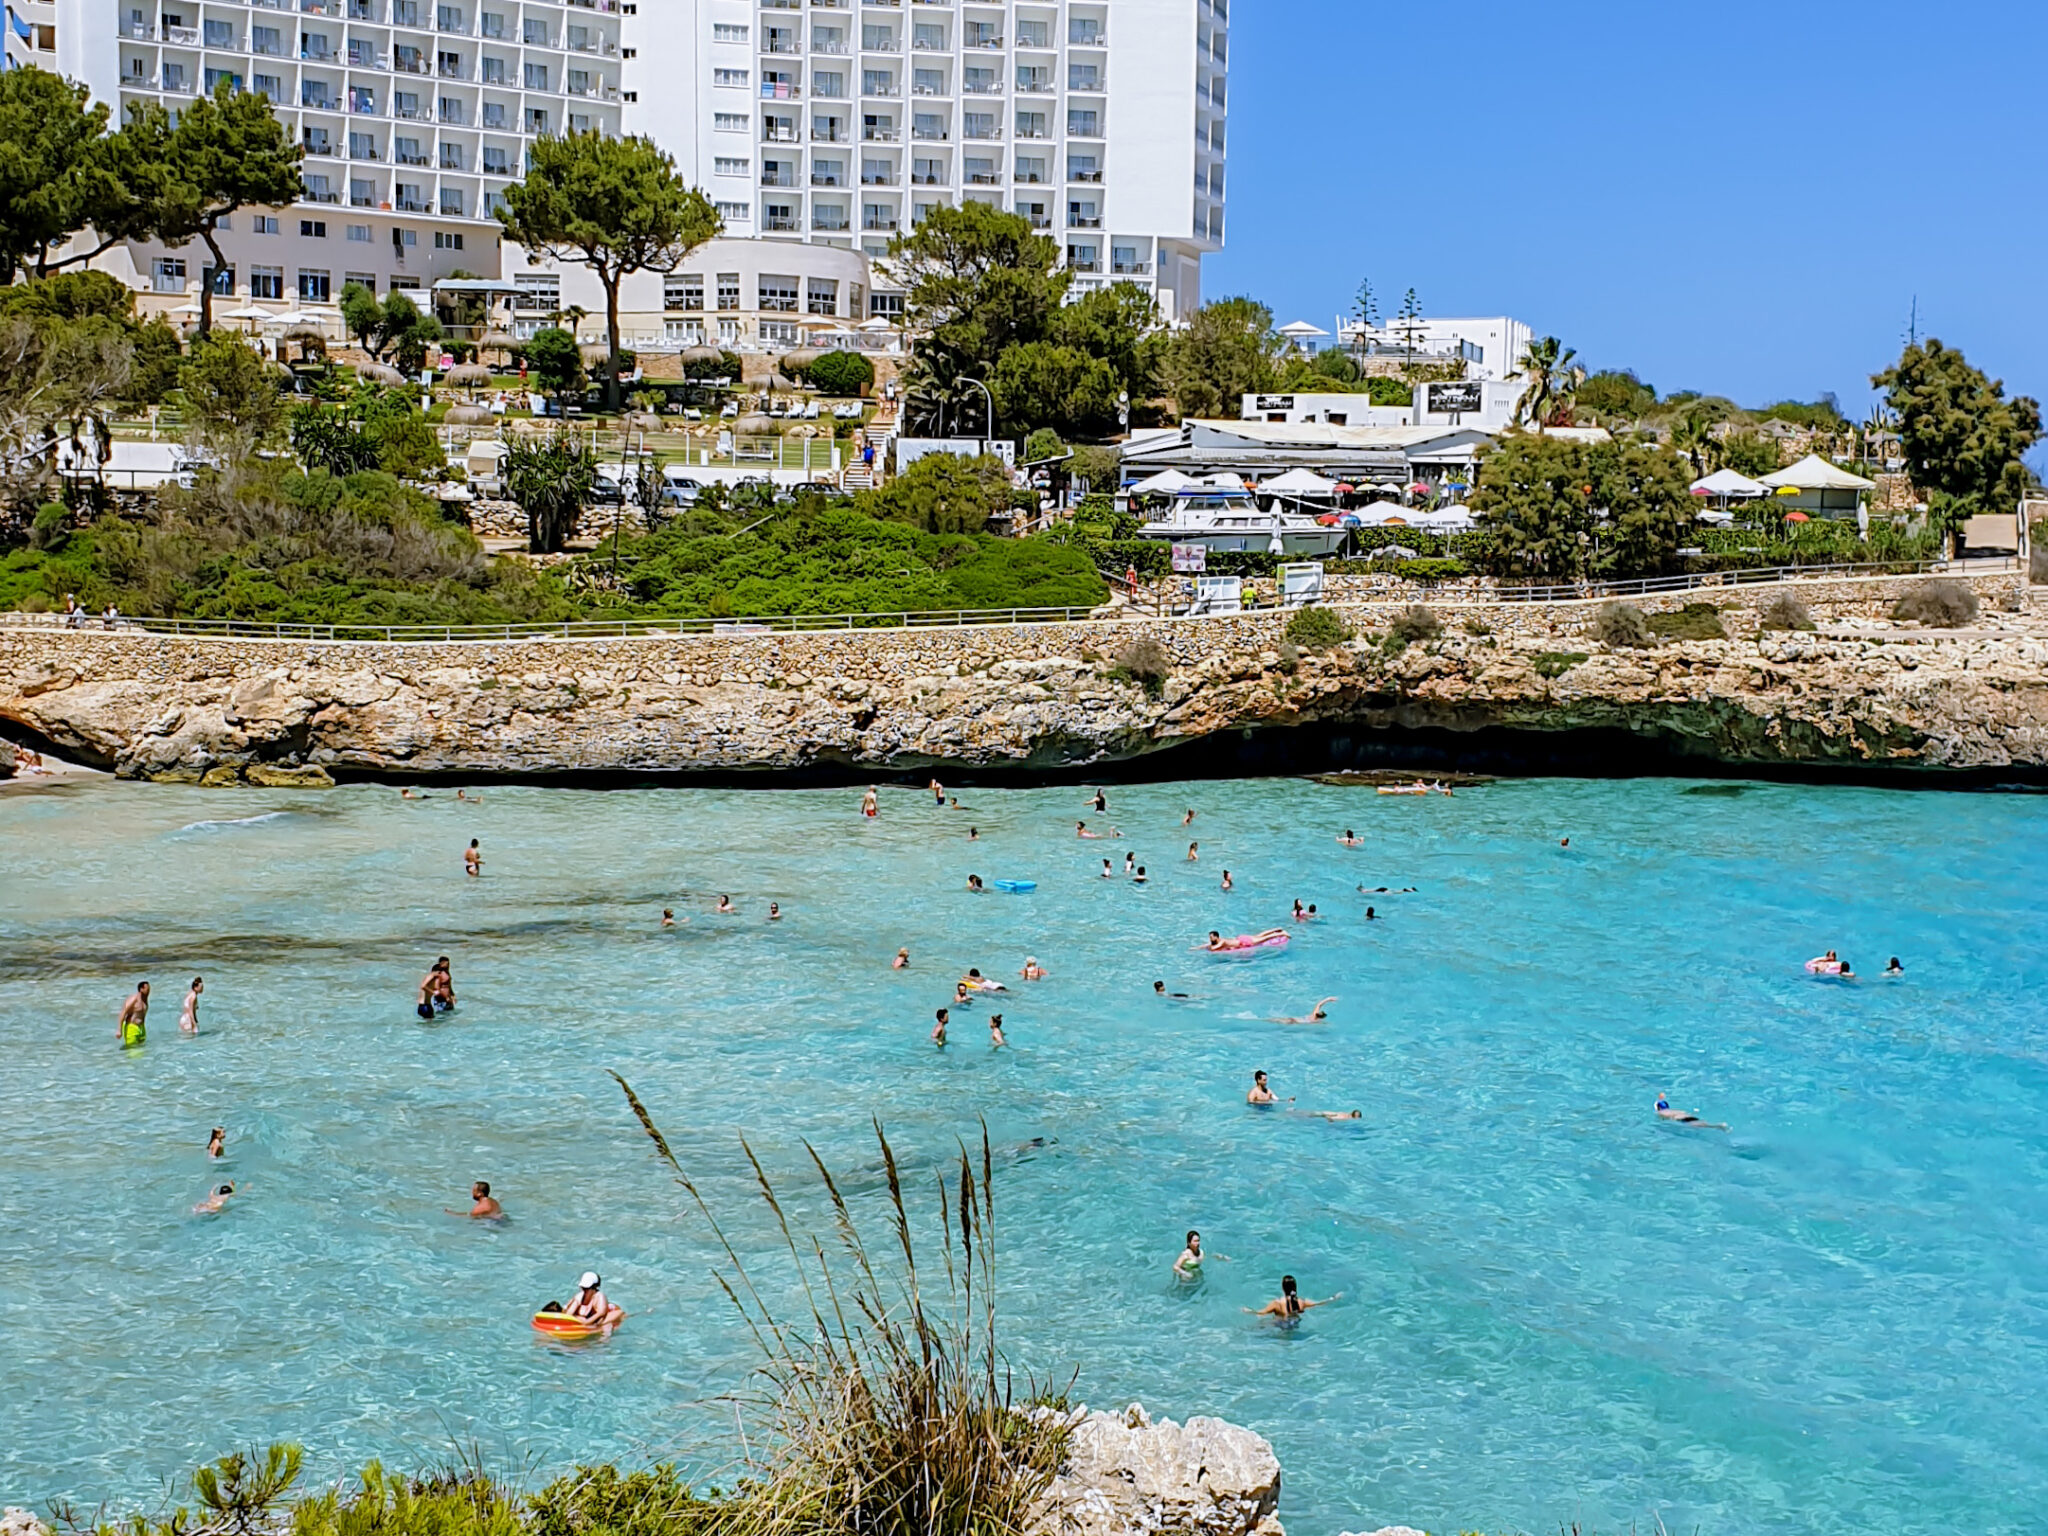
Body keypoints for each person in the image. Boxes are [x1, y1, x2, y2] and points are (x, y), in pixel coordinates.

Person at [1247, 1275, 1336, 1321]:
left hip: (1280, 1325)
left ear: (1283, 1288)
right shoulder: (1301, 1302)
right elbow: (1319, 1303)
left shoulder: (1277, 1303)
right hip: (1295, 1325)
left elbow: (1261, 1312)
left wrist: (1249, 1311)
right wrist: (1333, 1298)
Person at [567, 1271, 623, 1336]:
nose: (584, 1290)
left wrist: (585, 1323)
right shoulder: (579, 1297)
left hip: (602, 1317)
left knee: (606, 1329)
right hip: (585, 1319)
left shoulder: (599, 1297)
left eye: (587, 1288)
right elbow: (568, 1314)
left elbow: (601, 1313)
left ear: (594, 1287)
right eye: (583, 1288)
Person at [1655, 1094, 1728, 1131]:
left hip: (1684, 1120)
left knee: (1706, 1126)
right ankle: (1719, 1126)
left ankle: (1718, 1126)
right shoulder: (1675, 1110)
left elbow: (1664, 1120)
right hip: (1690, 1117)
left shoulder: (1661, 1112)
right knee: (1705, 1124)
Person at [117, 981, 149, 1046]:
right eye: (147, 989)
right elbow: (123, 1012)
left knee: (143, 1052)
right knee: (133, 1052)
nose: (149, 992)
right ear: (141, 989)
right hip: (132, 1028)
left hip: (142, 1028)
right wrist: (119, 1030)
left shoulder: (144, 1000)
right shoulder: (133, 999)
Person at [1271, 997, 1336, 1025]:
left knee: (1274, 1020)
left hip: (1293, 1020)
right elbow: (1323, 1023)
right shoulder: (1315, 1021)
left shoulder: (1314, 1015)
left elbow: (1319, 1004)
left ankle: (1262, 1019)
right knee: (1275, 1021)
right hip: (1294, 1022)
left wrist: (1328, 999)